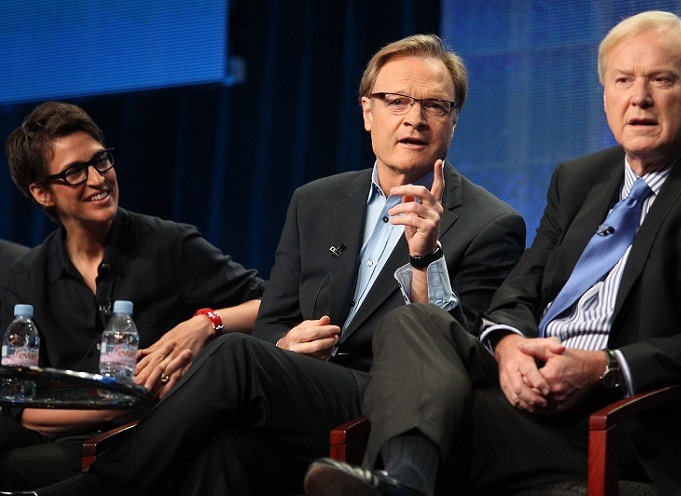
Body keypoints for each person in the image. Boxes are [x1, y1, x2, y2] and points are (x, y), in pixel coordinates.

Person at [303, 11, 681, 496]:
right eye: (623, 80)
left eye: (661, 80)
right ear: (605, 96)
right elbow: (517, 294)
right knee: (414, 321)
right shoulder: (580, 180)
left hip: (640, 425)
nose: (639, 98)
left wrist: (600, 367)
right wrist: (509, 347)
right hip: (532, 398)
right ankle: (403, 482)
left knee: (445, 421)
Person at [24, 34, 526, 496]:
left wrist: (425, 257)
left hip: (394, 405)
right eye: (396, 101)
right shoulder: (316, 201)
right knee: (221, 454)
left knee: (235, 355)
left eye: (435, 105)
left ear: (454, 120)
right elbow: (272, 323)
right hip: (301, 395)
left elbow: (462, 355)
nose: (415, 118)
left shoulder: (490, 223)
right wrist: (285, 347)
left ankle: (94, 489)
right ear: (367, 111)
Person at [0, 102, 265, 490]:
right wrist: (113, 403)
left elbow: (271, 304)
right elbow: (22, 407)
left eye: (101, 161)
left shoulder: (170, 245)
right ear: (42, 193)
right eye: (75, 172)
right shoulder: (27, 276)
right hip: (74, 437)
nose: (98, 179)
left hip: (159, 432)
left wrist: (206, 323)